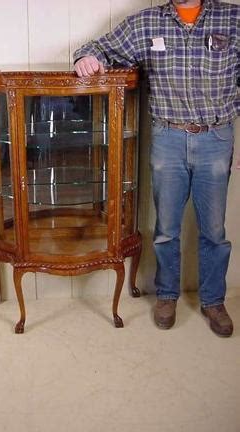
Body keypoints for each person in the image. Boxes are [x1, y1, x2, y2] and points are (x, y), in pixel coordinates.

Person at [73, 0, 239, 336]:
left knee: (214, 232)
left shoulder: (233, 18)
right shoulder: (145, 24)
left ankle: (213, 300)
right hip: (167, 138)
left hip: (216, 138)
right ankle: (166, 295)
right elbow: (97, 48)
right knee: (166, 229)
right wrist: (86, 58)